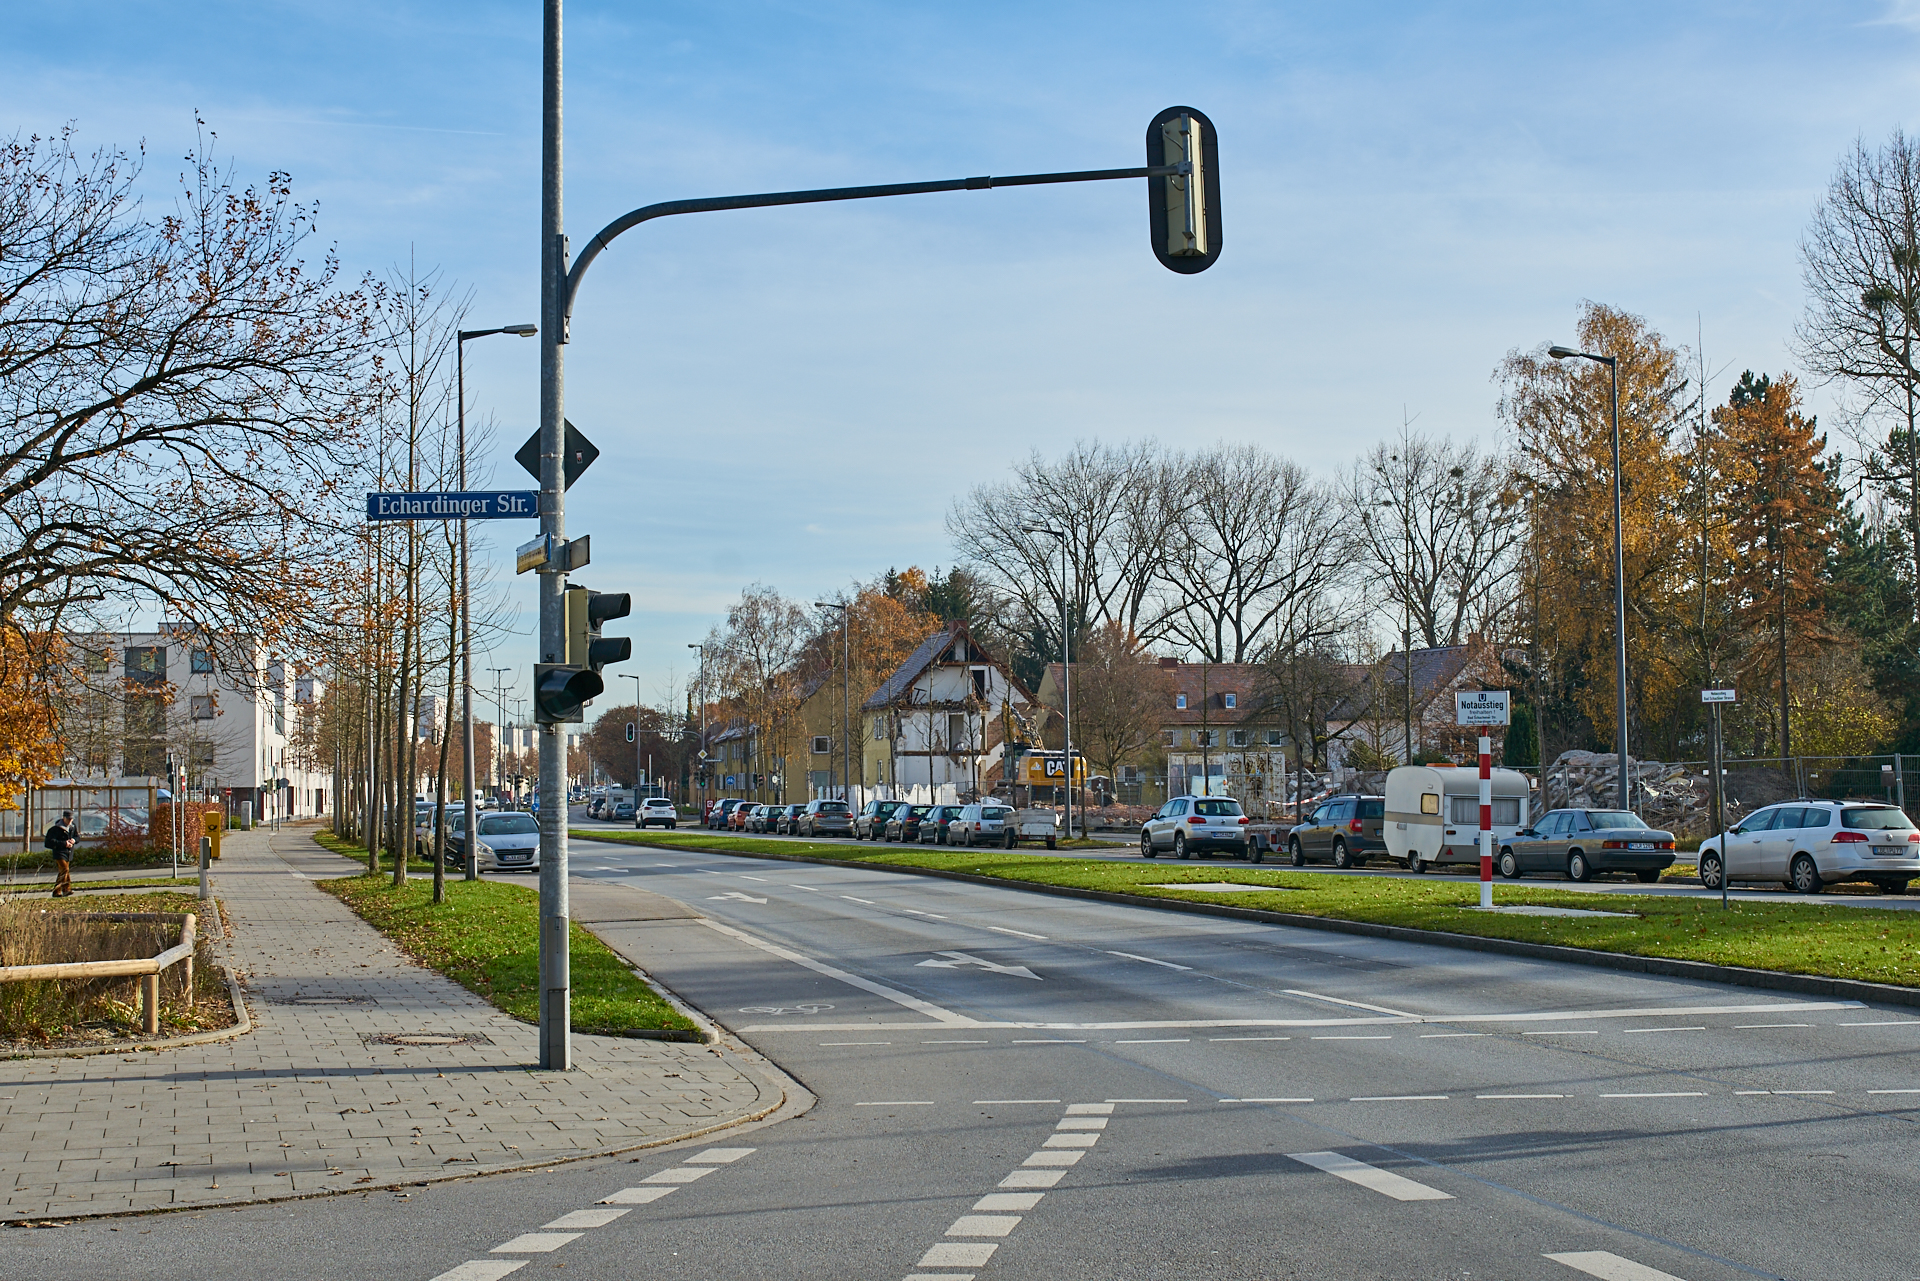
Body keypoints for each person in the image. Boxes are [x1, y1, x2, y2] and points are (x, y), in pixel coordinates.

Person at [44, 810, 78, 897]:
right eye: (68, 819)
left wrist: (73, 840)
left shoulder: (72, 827)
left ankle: (58, 891)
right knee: (64, 869)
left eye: (71, 819)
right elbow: (48, 842)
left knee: (63, 871)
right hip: (59, 852)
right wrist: (64, 843)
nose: (70, 821)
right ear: (64, 818)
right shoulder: (55, 829)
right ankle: (66, 889)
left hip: (68, 852)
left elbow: (77, 837)